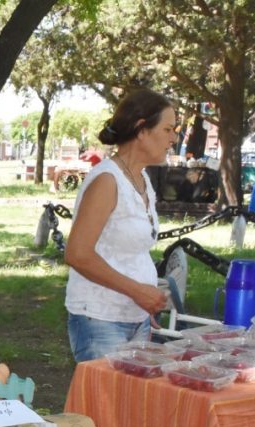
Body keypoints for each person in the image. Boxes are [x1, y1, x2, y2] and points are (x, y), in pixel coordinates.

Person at [65, 89, 176, 362]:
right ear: (141, 130)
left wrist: (145, 300)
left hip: (136, 318)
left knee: (130, 403)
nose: (174, 138)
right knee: (106, 404)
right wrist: (139, 292)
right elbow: (77, 254)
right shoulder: (107, 180)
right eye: (168, 129)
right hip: (101, 320)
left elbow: (128, 252)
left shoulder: (142, 179)